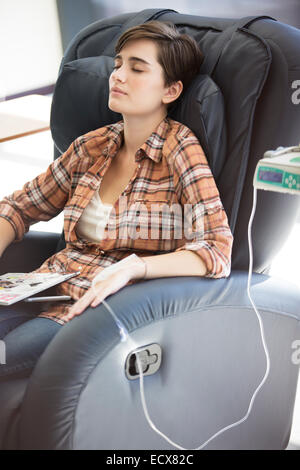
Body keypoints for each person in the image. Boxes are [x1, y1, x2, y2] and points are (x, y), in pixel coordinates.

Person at [0, 21, 233, 383]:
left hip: (89, 313)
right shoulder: (90, 147)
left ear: (170, 90)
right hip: (39, 289)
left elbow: (217, 249)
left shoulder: (180, 150)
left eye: (137, 68)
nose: (118, 76)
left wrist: (133, 267)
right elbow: (17, 208)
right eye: (118, 65)